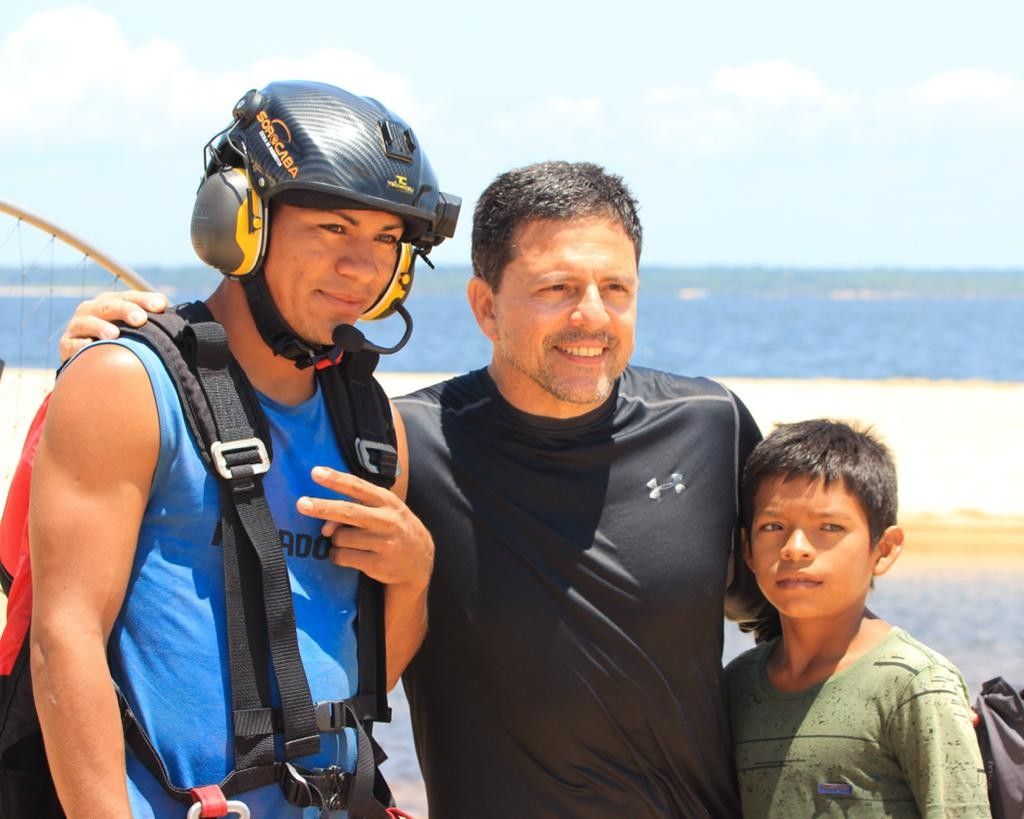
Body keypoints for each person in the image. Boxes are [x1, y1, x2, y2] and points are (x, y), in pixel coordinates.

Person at [61, 161, 772, 817]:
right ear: (485, 307)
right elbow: (306, 624)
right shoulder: (401, 444)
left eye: (615, 288)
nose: (591, 314)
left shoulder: (710, 426)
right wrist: (130, 348)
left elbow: (798, 624)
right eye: (557, 288)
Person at [29, 80, 458, 817]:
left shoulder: (374, 423)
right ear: (241, 222)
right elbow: (63, 639)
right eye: (332, 227)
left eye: (388, 239)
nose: (363, 267)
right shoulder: (127, 385)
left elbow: (363, 682)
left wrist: (415, 575)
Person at [726, 419, 990, 818]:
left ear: (883, 548)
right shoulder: (738, 686)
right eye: (773, 527)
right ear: (747, 548)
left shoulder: (913, 684)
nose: (795, 548)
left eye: (829, 527)